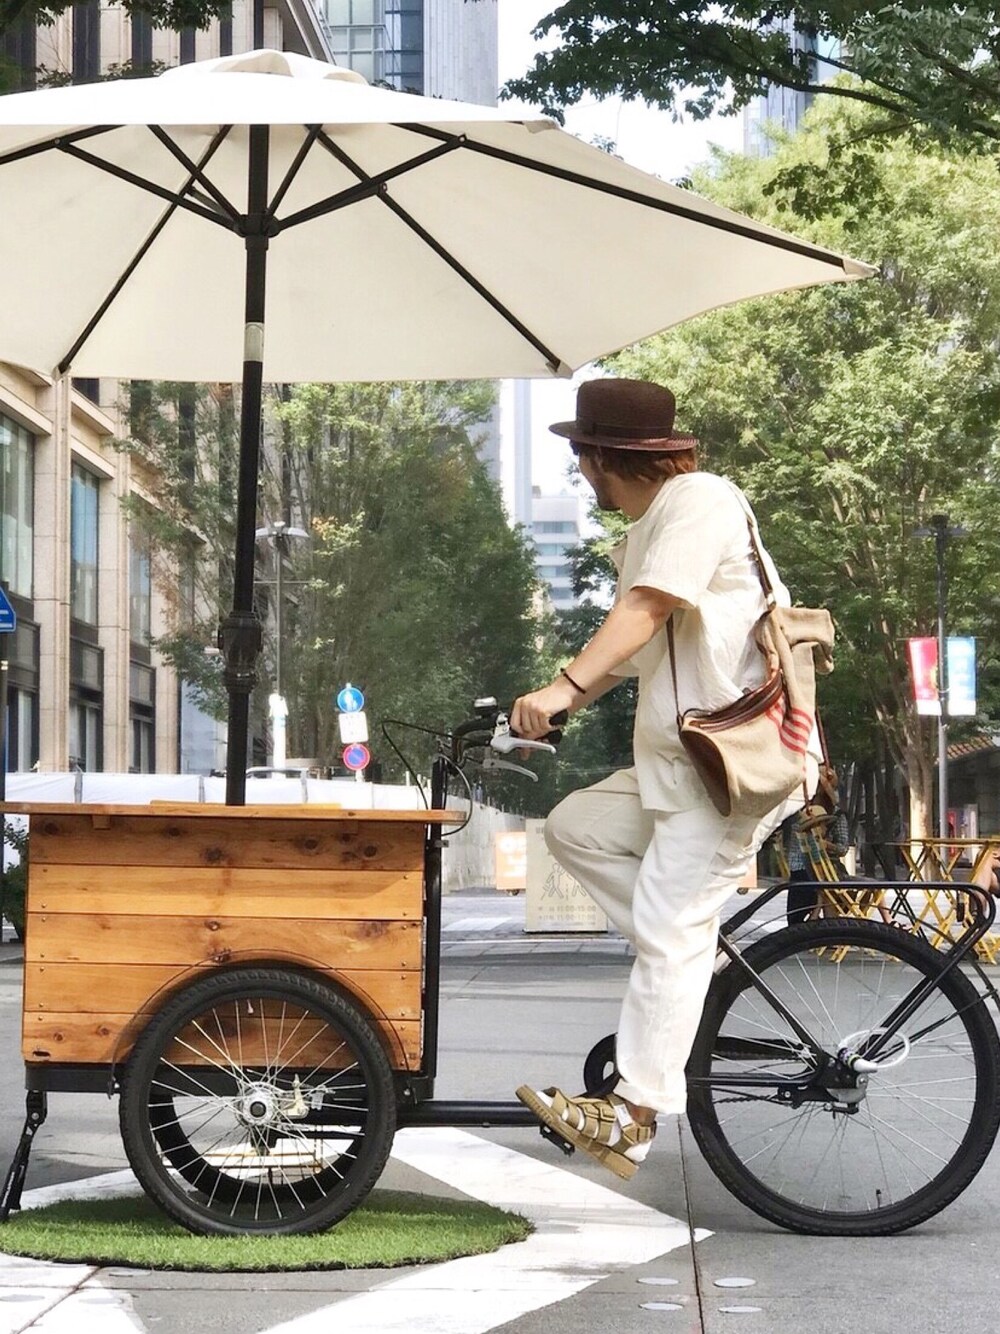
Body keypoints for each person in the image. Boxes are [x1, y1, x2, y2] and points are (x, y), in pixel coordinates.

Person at [510, 377, 811, 1181]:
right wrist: (557, 701)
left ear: (609, 455)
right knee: (576, 827)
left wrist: (563, 688)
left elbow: (645, 609)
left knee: (672, 929)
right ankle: (691, 962)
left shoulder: (700, 499)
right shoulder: (652, 525)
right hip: (674, 770)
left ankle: (631, 1116)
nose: (582, 475)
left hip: (727, 771)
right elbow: (639, 644)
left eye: (583, 459)